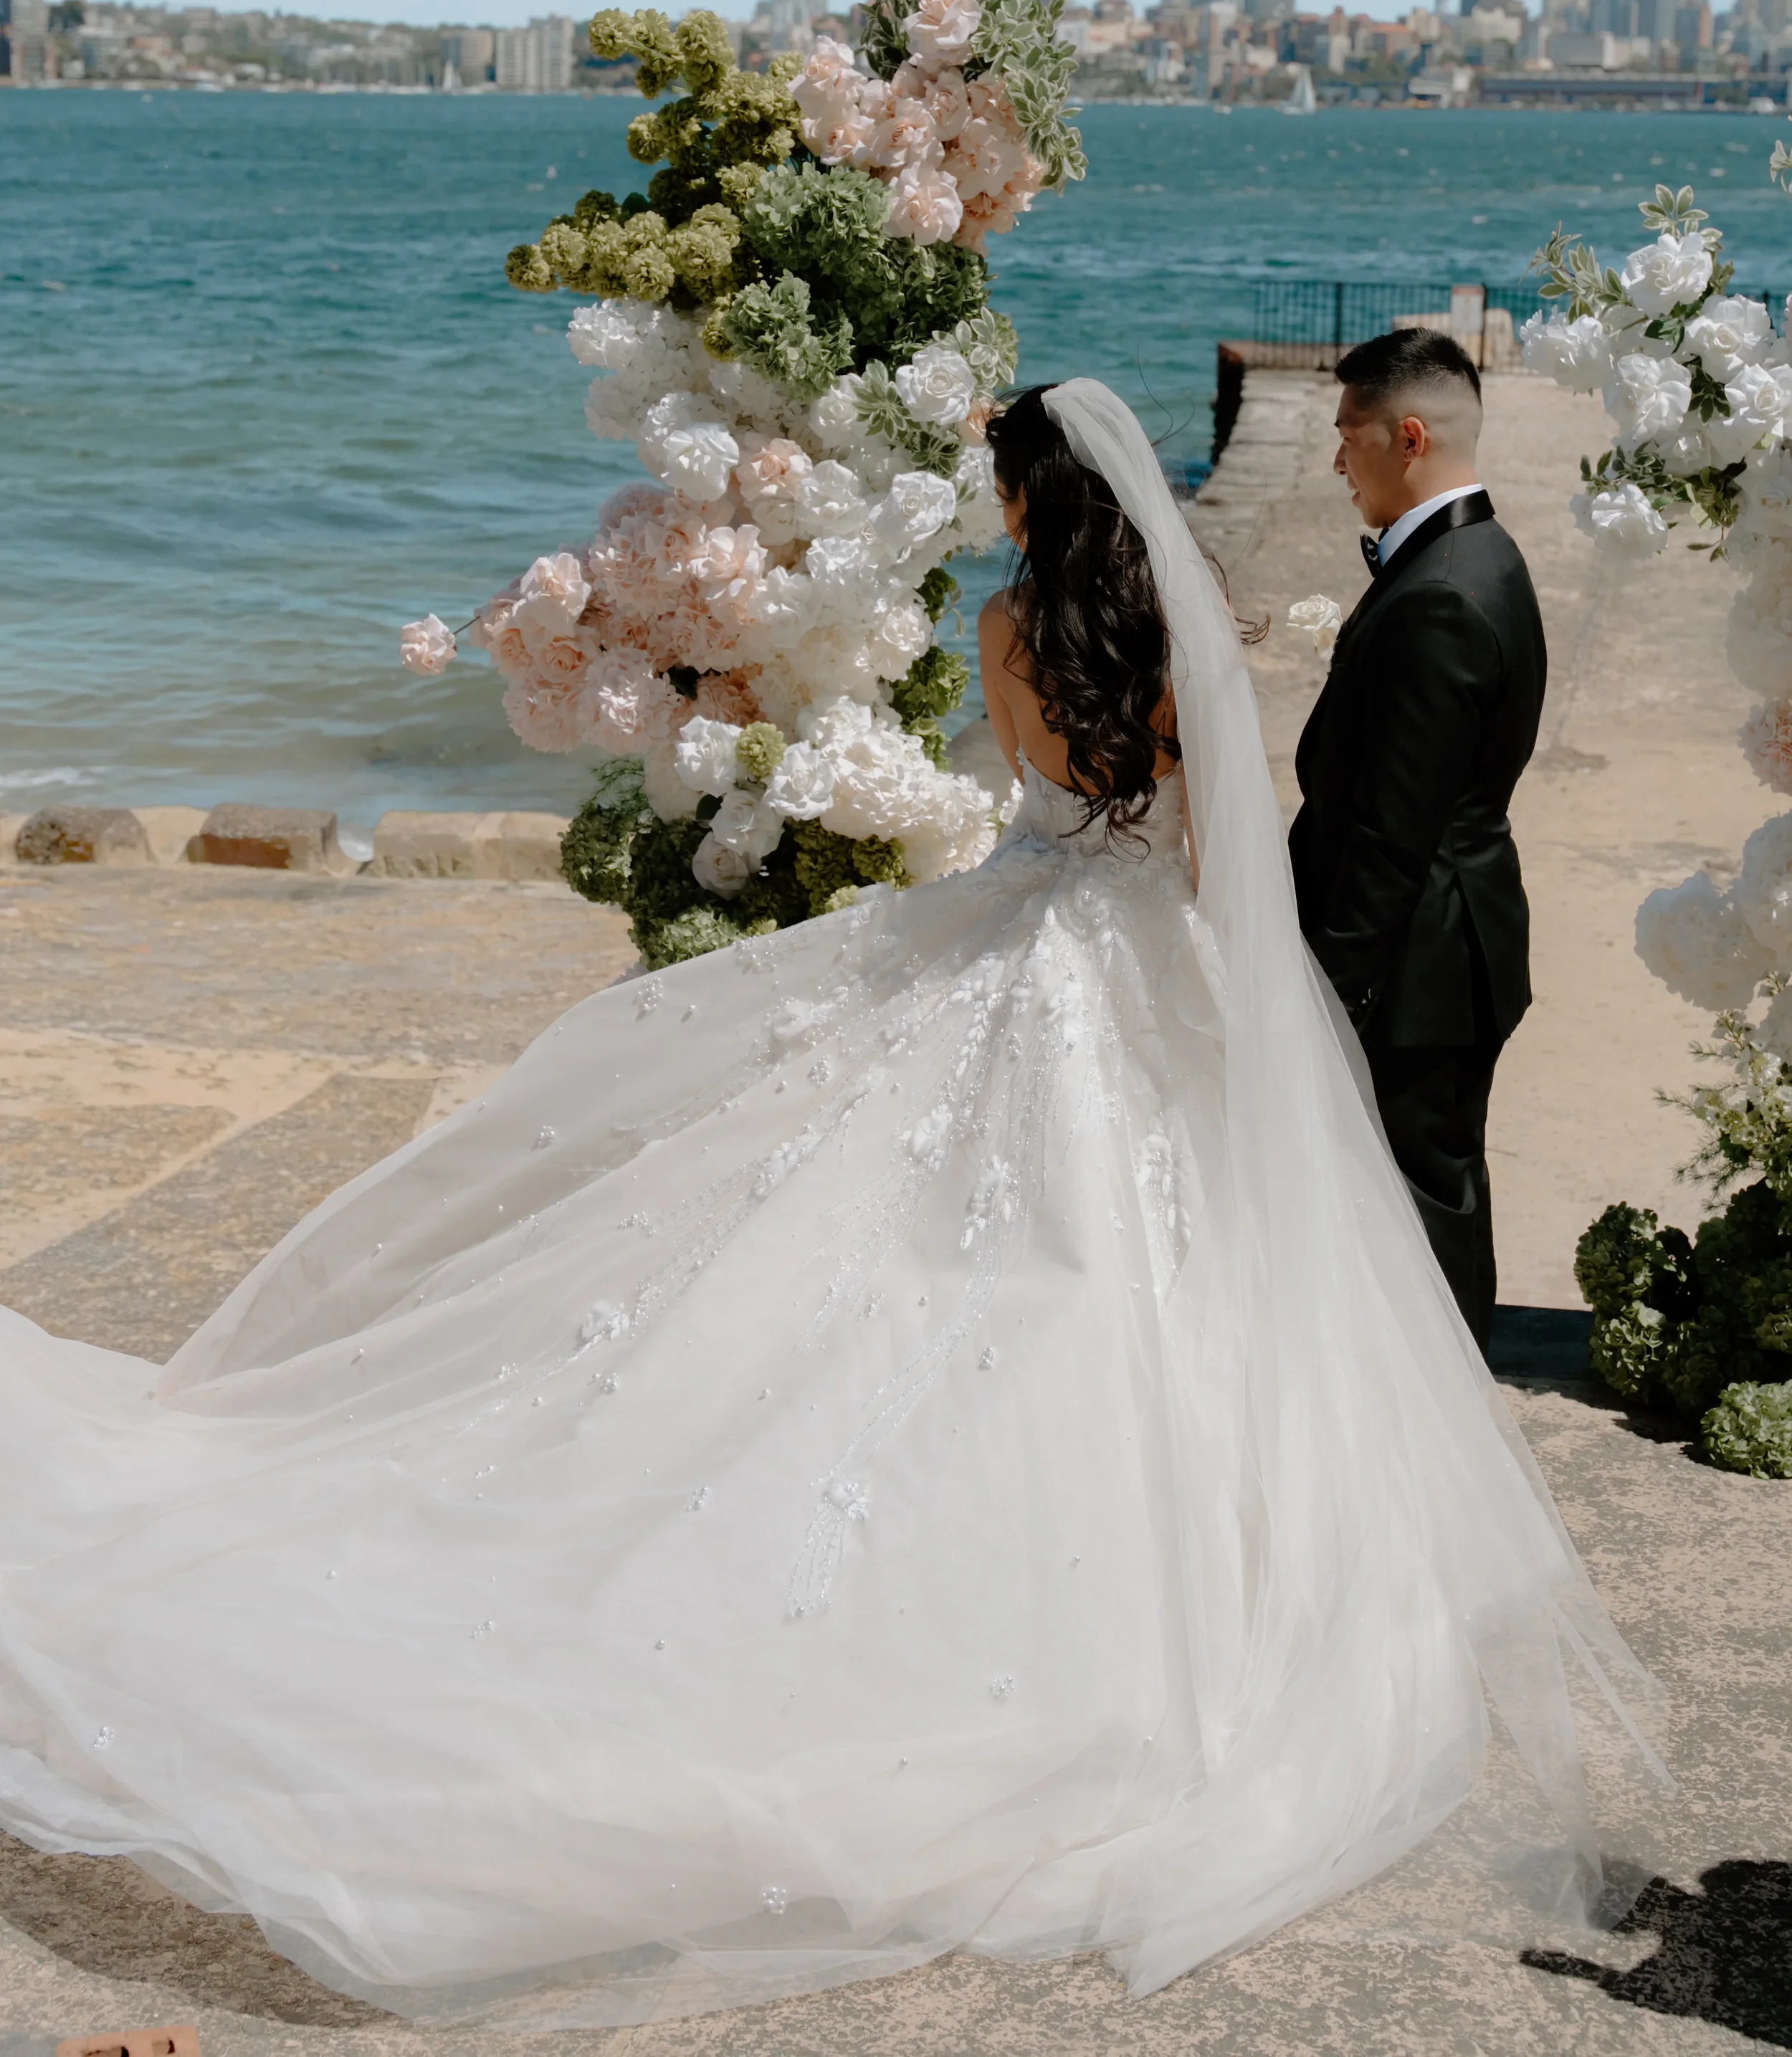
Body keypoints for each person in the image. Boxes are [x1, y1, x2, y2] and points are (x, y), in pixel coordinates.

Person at [0, 380, 1645, 2032]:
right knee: (1141, 1263)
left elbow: (1030, 803)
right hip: (1148, 967)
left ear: (1027, 499)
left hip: (1030, 944)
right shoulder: (1183, 631)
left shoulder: (1016, 633)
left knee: (907, 1234)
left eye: (1003, 487)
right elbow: (1218, 856)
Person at [1288, 330, 1546, 1351]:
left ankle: (1451, 1434)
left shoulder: (1441, 594)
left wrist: (1328, 991)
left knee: (1424, 1196)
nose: (1335, 461)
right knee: (1429, 1181)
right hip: (1446, 939)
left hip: (1417, 962)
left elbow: (1393, 832)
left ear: (1408, 435)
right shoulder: (1480, 556)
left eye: (1347, 436)